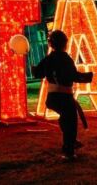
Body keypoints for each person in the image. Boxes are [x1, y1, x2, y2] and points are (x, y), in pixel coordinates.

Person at [32, 30, 93, 160]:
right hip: (64, 97)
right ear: (65, 43)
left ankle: (71, 142)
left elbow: (38, 73)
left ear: (51, 44)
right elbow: (73, 76)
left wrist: (34, 68)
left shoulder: (48, 59)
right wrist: (89, 76)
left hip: (52, 98)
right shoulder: (66, 59)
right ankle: (69, 150)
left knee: (66, 119)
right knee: (70, 121)